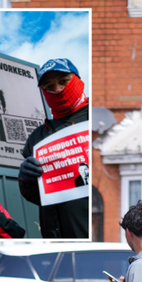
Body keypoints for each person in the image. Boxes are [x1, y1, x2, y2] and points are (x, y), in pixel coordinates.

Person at [17, 58, 90, 238]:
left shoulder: (97, 119)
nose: (57, 90)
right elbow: (38, 196)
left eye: (63, 82)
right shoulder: (36, 138)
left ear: (78, 80)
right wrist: (26, 180)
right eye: (49, 87)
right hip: (58, 235)